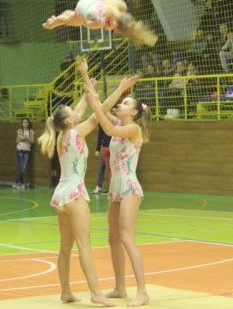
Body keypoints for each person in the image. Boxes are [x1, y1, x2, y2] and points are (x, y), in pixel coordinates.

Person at [38, 56, 136, 307]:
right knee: (84, 245)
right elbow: (98, 112)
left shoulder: (64, 134)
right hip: (74, 193)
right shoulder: (75, 132)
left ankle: (66, 292)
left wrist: (86, 83)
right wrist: (118, 88)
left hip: (61, 194)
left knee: (65, 247)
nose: (76, 110)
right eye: (72, 111)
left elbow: (82, 109)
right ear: (70, 121)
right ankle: (96, 293)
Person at [83, 82, 151, 307]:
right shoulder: (120, 122)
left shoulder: (133, 129)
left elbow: (110, 130)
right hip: (116, 188)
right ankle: (120, 287)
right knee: (113, 239)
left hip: (129, 187)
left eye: (125, 103)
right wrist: (117, 89)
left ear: (134, 112)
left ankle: (142, 291)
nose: (120, 105)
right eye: (121, 102)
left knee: (127, 239)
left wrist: (96, 105)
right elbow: (101, 113)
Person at [43, 0, 157, 47]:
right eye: (115, 28)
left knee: (72, 18)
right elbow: (91, 25)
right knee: (72, 20)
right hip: (84, 8)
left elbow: (109, 2)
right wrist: (86, 23)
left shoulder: (121, 5)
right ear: (117, 24)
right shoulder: (103, 18)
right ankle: (52, 23)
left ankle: (55, 20)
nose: (112, 30)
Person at [13, 117, 34, 189]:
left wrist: (26, 139)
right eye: (24, 122)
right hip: (19, 149)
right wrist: (21, 139)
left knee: (22, 167)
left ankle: (20, 182)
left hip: (27, 150)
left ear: (28, 123)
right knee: (21, 167)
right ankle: (17, 182)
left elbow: (32, 142)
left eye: (26, 122)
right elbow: (16, 141)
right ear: (22, 123)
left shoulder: (31, 131)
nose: (25, 123)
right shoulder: (20, 131)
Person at [93, 124, 111, 195]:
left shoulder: (115, 121)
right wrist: (97, 149)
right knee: (102, 166)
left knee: (112, 168)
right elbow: (100, 135)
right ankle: (99, 186)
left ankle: (112, 187)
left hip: (114, 147)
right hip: (105, 147)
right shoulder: (101, 123)